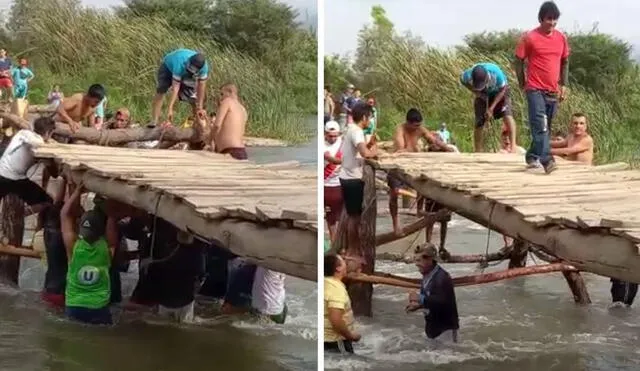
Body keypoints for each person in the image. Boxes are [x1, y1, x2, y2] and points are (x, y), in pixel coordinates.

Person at [515, 1, 570, 174]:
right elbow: (518, 60)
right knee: (540, 125)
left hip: (553, 89)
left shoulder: (561, 38)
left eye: (555, 19)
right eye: (549, 19)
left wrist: (564, 85)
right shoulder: (529, 37)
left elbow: (565, 61)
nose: (552, 23)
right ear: (541, 19)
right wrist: (522, 82)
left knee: (547, 126)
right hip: (535, 88)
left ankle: (532, 156)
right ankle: (547, 160)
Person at [388, 108, 452, 236]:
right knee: (394, 194)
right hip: (397, 164)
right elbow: (400, 150)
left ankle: (419, 210)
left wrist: (447, 149)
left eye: (419, 125)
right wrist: (414, 149)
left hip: (414, 163)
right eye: (415, 125)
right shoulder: (400, 129)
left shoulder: (420, 129)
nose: (417, 127)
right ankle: (395, 224)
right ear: (408, 123)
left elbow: (434, 141)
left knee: (423, 183)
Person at [61, 184, 117, 325]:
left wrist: (77, 192)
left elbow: (65, 215)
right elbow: (112, 219)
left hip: (74, 305)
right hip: (99, 306)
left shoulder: (74, 246)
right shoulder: (106, 249)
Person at [339, 103, 377, 255]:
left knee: (353, 216)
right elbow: (365, 153)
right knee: (354, 217)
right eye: (369, 117)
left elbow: (359, 149)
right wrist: (374, 150)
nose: (370, 121)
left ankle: (351, 248)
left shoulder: (351, 129)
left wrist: (370, 145)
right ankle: (353, 250)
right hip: (352, 178)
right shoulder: (357, 131)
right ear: (364, 117)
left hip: (347, 176)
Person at [0, 117, 55, 216]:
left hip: (2, 172)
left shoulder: (22, 133)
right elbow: (54, 173)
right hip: (15, 179)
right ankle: (19, 214)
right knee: (47, 201)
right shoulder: (39, 144)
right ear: (48, 133)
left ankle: (15, 215)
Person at [406, 243, 459, 343]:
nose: (416, 264)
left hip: (445, 331)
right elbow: (431, 299)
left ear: (429, 259)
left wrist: (420, 298)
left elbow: (441, 301)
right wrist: (419, 306)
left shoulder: (442, 278)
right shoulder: (427, 275)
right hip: (433, 330)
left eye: (418, 260)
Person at [460, 62, 517, 153]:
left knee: (507, 115)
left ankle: (513, 148)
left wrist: (491, 108)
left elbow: (502, 90)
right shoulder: (467, 75)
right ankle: (478, 150)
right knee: (479, 121)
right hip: (483, 93)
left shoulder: (497, 74)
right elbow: (462, 80)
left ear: (487, 78)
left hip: (500, 91)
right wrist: (476, 92)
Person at [151, 48, 208, 126]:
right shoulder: (179, 62)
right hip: (167, 66)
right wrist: (170, 108)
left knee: (193, 97)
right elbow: (175, 88)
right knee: (161, 90)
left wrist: (200, 107)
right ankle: (154, 120)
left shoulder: (204, 68)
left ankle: (196, 122)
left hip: (184, 71)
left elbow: (201, 88)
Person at [39, 177, 69, 309]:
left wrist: (64, 180)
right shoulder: (65, 238)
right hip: (62, 292)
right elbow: (63, 213)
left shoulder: (45, 233)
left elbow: (57, 205)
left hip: (49, 289)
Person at [324, 254, 360, 354]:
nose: (346, 264)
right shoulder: (336, 289)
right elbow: (336, 320)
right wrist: (351, 336)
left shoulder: (326, 282)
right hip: (335, 340)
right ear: (338, 268)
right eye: (344, 261)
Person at [210, 83, 248, 160]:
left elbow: (217, 125)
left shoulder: (227, 101)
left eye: (222, 94)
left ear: (230, 92)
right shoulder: (243, 109)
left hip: (230, 151)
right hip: (241, 151)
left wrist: (208, 139)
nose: (221, 98)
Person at [324, 120, 343, 242]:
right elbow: (332, 160)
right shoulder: (322, 146)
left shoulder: (343, 143)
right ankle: (333, 243)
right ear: (325, 134)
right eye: (330, 136)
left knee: (341, 217)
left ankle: (341, 243)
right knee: (330, 218)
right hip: (326, 185)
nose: (333, 139)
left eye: (335, 136)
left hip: (340, 185)